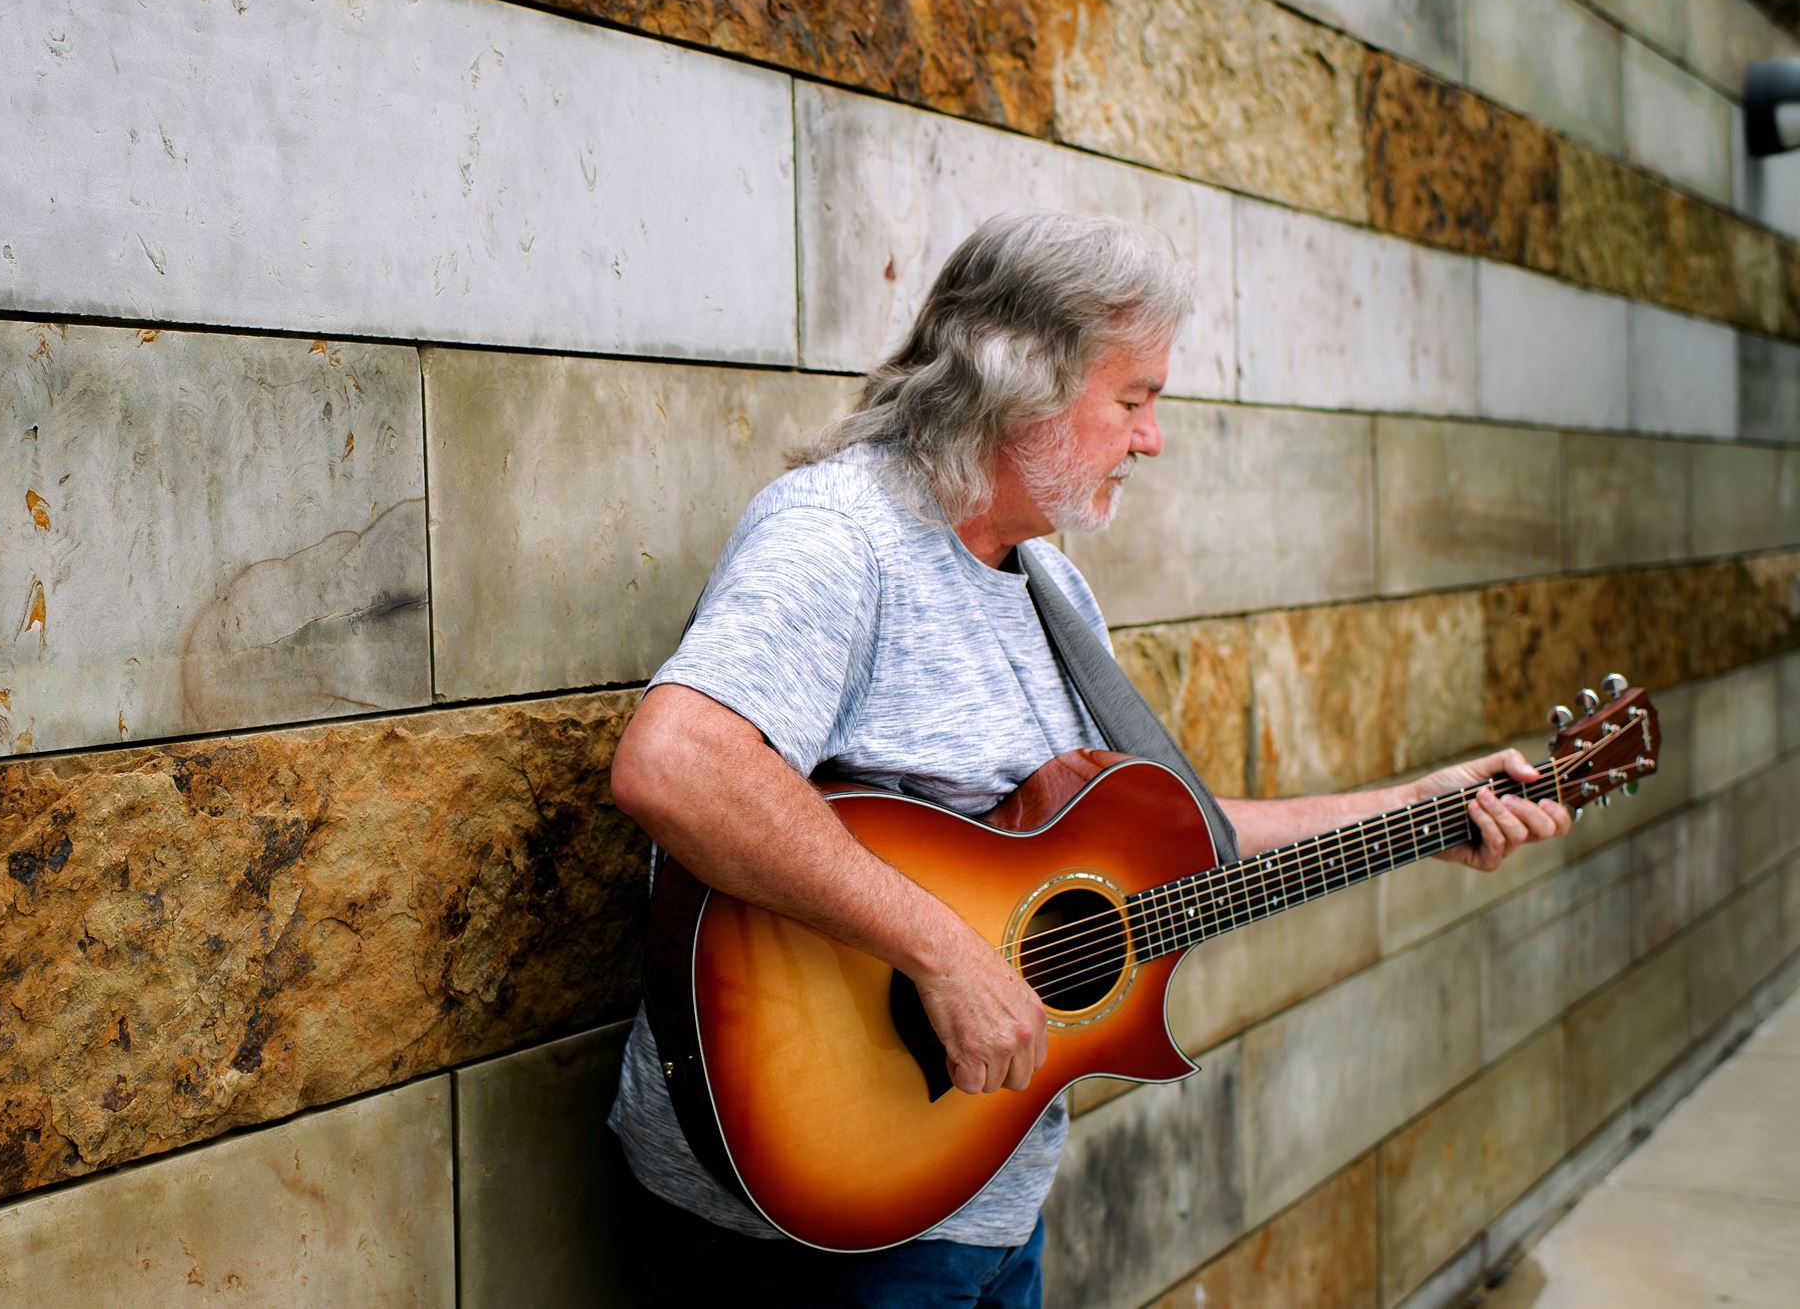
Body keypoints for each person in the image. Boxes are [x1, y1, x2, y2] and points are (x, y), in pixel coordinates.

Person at [606, 210, 1570, 1307]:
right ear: (1019, 386)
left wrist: (1416, 807)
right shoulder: (841, 538)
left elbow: (1154, 849)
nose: (1151, 438)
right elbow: (675, 764)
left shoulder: (1049, 586)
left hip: (983, 1188)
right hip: (804, 1224)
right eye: (1133, 399)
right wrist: (944, 949)